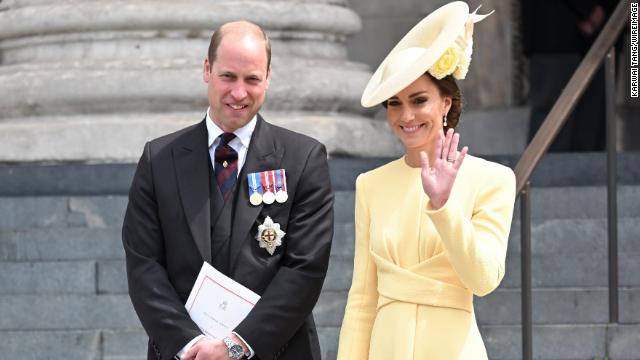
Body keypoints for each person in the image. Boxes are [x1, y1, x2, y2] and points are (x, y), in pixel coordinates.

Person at [122, 21, 334, 360]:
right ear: (207, 69)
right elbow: (143, 265)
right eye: (228, 77)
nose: (239, 93)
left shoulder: (303, 159)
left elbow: (305, 269)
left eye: (252, 79)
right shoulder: (159, 159)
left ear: (267, 77)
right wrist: (192, 346)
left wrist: (235, 347)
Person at [337, 2, 516, 359]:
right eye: (394, 103)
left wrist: (443, 206)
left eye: (419, 100)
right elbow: (361, 299)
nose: (406, 116)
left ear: (446, 102)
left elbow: (483, 280)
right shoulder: (370, 184)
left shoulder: (493, 179)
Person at [521, 0, 619, 152]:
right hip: (558, 30)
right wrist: (587, 9)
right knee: (553, 128)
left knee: (591, 130)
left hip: (605, 35)